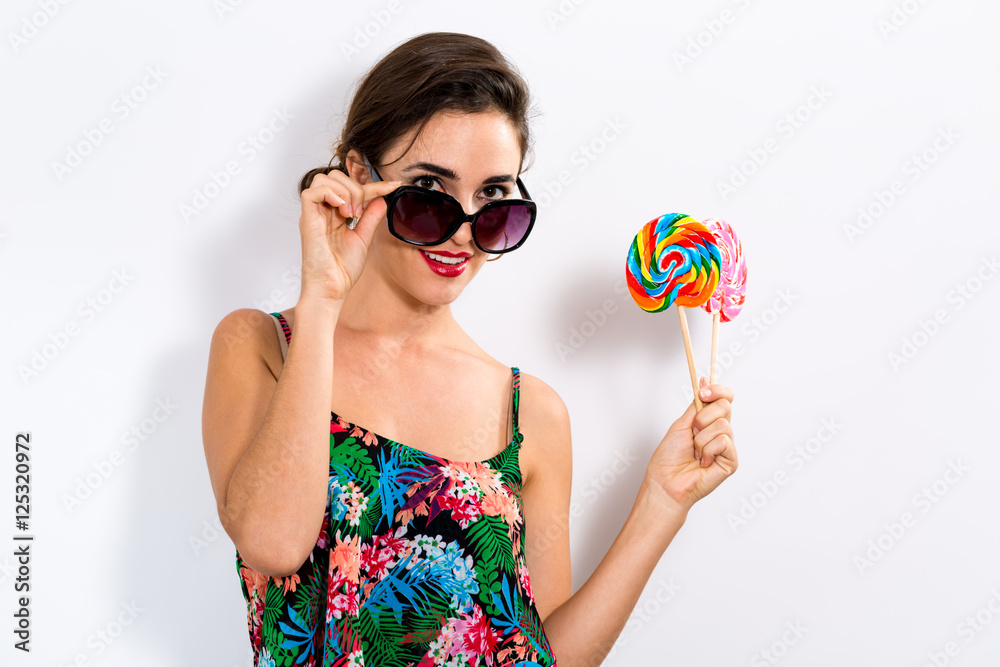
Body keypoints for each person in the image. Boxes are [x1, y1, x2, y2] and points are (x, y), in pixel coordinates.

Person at [201, 31, 738, 667]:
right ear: (355, 177)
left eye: (492, 199)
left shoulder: (531, 412)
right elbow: (272, 542)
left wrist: (661, 502)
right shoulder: (260, 347)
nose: (461, 231)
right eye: (430, 188)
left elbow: (545, 653)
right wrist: (321, 300)